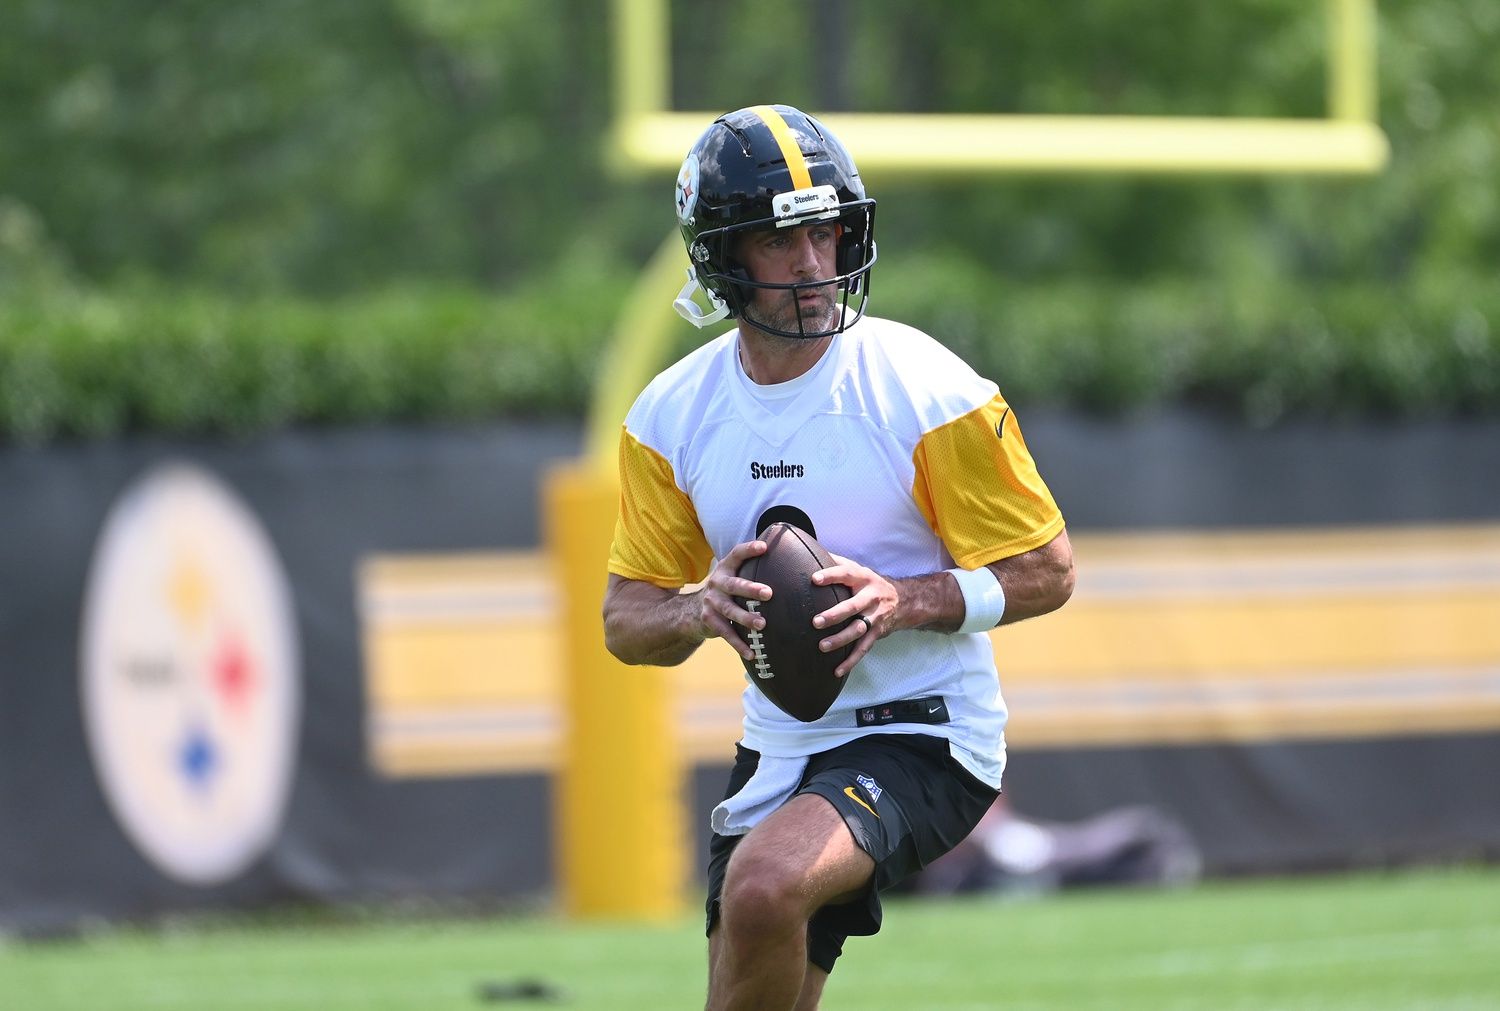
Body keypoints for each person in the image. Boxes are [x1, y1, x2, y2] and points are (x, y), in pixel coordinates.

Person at [602, 103, 1075, 1011]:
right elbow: (626, 621)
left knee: (763, 886)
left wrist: (902, 599)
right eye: (784, 242)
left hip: (928, 729)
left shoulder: (922, 385)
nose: (815, 266)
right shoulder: (670, 417)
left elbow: (1049, 569)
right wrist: (699, 607)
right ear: (723, 256)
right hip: (782, 741)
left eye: (827, 231)